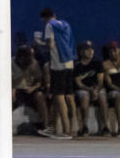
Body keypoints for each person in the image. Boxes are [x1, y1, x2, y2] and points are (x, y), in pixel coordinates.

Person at [38, 8, 76, 139]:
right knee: (68, 96)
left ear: (44, 18)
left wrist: (40, 43)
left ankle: (65, 131)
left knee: (59, 96)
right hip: (69, 62)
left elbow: (51, 44)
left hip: (58, 64)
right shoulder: (65, 24)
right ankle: (68, 128)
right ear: (55, 15)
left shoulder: (49, 25)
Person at [72, 41, 107, 137]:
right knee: (85, 97)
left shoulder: (97, 62)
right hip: (83, 89)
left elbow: (100, 81)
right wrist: (90, 90)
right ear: (81, 52)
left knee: (103, 98)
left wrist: (96, 89)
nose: (91, 52)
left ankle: (105, 127)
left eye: (91, 49)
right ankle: (84, 127)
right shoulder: (76, 64)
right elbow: (78, 83)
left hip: (96, 88)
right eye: (87, 50)